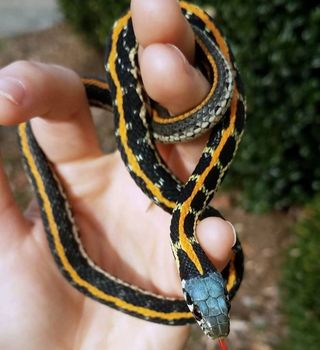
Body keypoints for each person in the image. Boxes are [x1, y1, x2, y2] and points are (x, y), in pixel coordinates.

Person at [0, 0, 236, 348]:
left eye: (202, 312)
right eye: (202, 311)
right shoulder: (183, 221)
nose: (210, 321)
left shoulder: (185, 223)